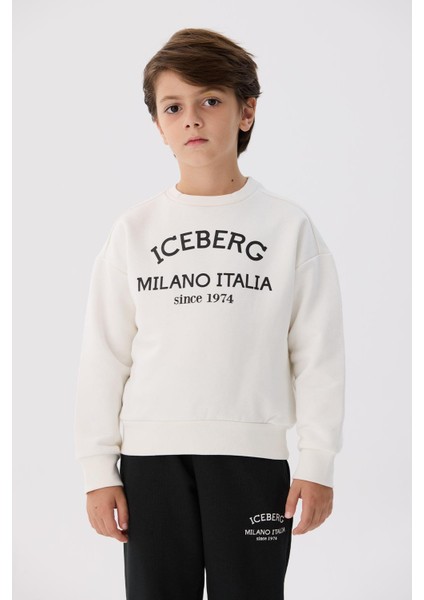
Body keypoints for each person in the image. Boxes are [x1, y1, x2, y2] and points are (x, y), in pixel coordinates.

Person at [74, 27, 345, 600]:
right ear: (158, 125)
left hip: (254, 463)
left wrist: (317, 462)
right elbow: (104, 355)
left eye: (211, 101)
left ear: (247, 111)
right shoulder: (133, 231)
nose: (192, 118)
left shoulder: (289, 228)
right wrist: (98, 469)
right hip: (150, 462)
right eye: (174, 107)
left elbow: (319, 356)